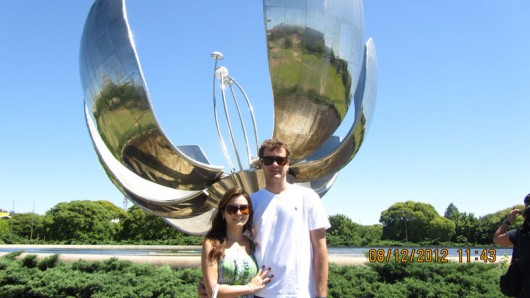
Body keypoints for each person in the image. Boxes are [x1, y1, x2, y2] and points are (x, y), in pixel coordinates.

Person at [250, 138, 330, 297]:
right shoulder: (251, 202)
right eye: (269, 160)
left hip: (300, 292)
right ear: (261, 163)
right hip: (262, 293)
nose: (275, 164)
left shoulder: (308, 197)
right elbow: (238, 246)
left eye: (280, 160)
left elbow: (320, 248)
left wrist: (321, 293)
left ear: (288, 163)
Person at [201, 187, 273, 298]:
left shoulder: (252, 244)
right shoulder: (212, 244)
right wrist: (249, 287)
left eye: (244, 209)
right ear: (223, 213)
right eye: (232, 209)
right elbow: (212, 292)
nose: (239, 213)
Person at [493, 205, 530, 296]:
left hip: (523, 289)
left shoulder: (519, 235)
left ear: (524, 217)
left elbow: (497, 239)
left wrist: (508, 221)